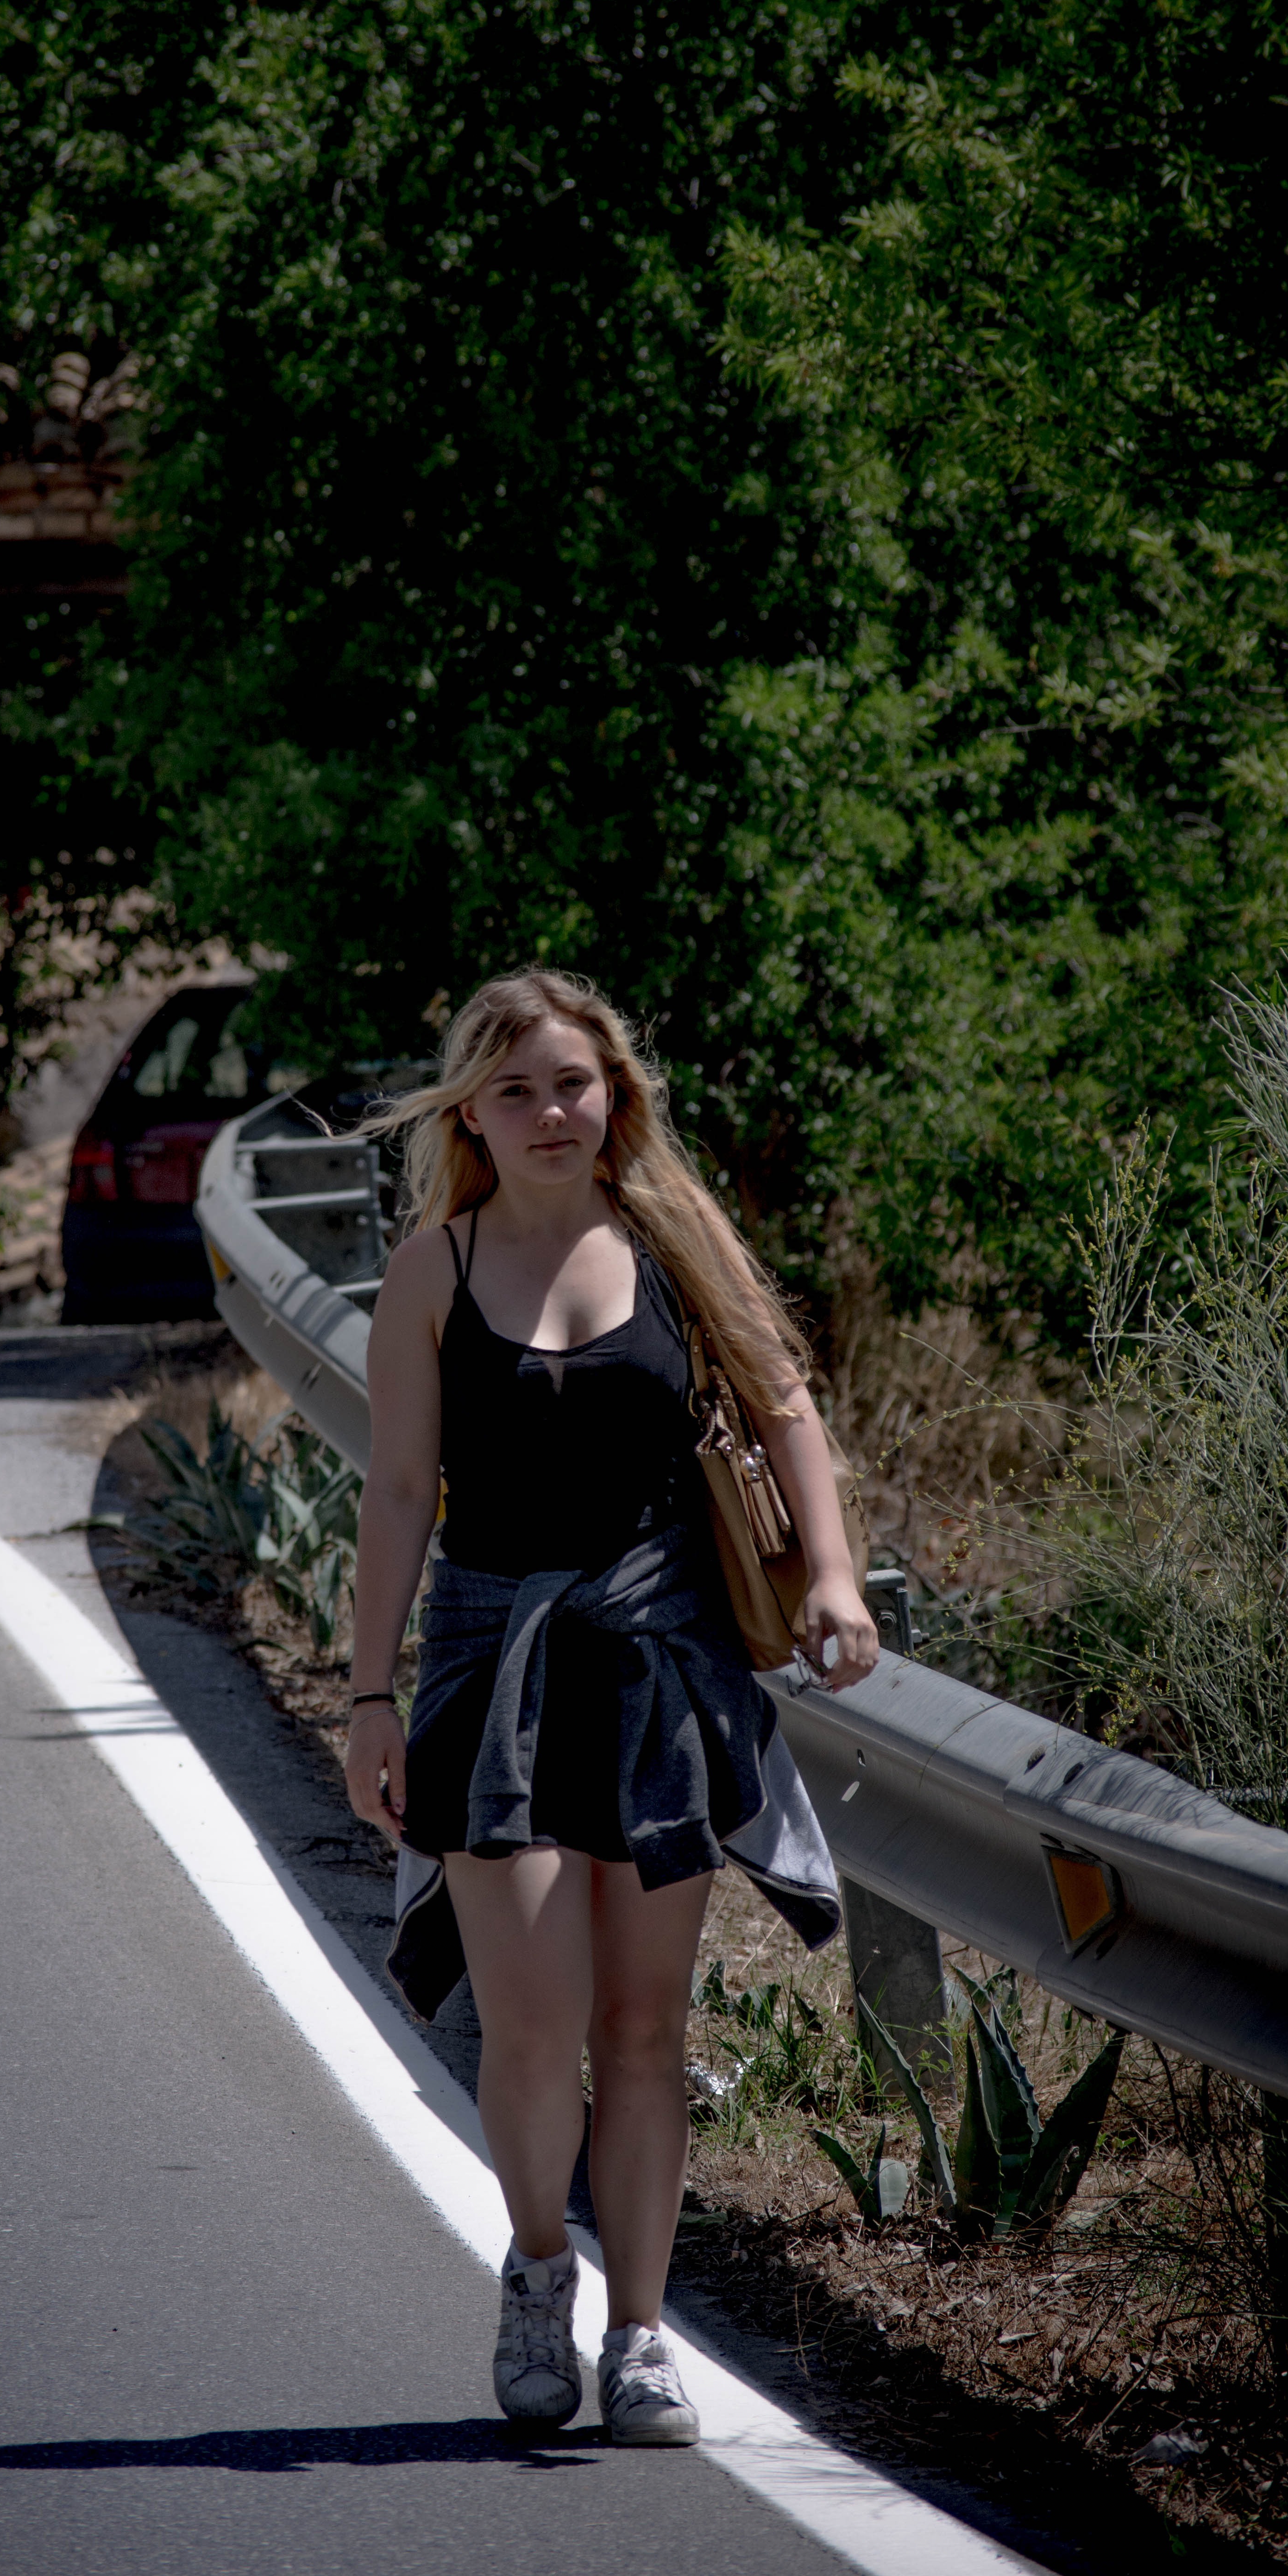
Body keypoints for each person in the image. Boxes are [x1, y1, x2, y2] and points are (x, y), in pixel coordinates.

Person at [345, 968, 879, 2447]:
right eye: (513, 1090)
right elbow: (398, 1492)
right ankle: (538, 2274)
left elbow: (783, 1399)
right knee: (533, 2024)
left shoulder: (671, 1234)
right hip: (489, 1669)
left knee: (643, 2025)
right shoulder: (432, 1270)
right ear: (469, 1113)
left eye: (570, 1083)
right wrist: (372, 1694)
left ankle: (641, 2336)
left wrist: (833, 1575)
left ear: (614, 1093)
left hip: (659, 1660)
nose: (547, 1113)